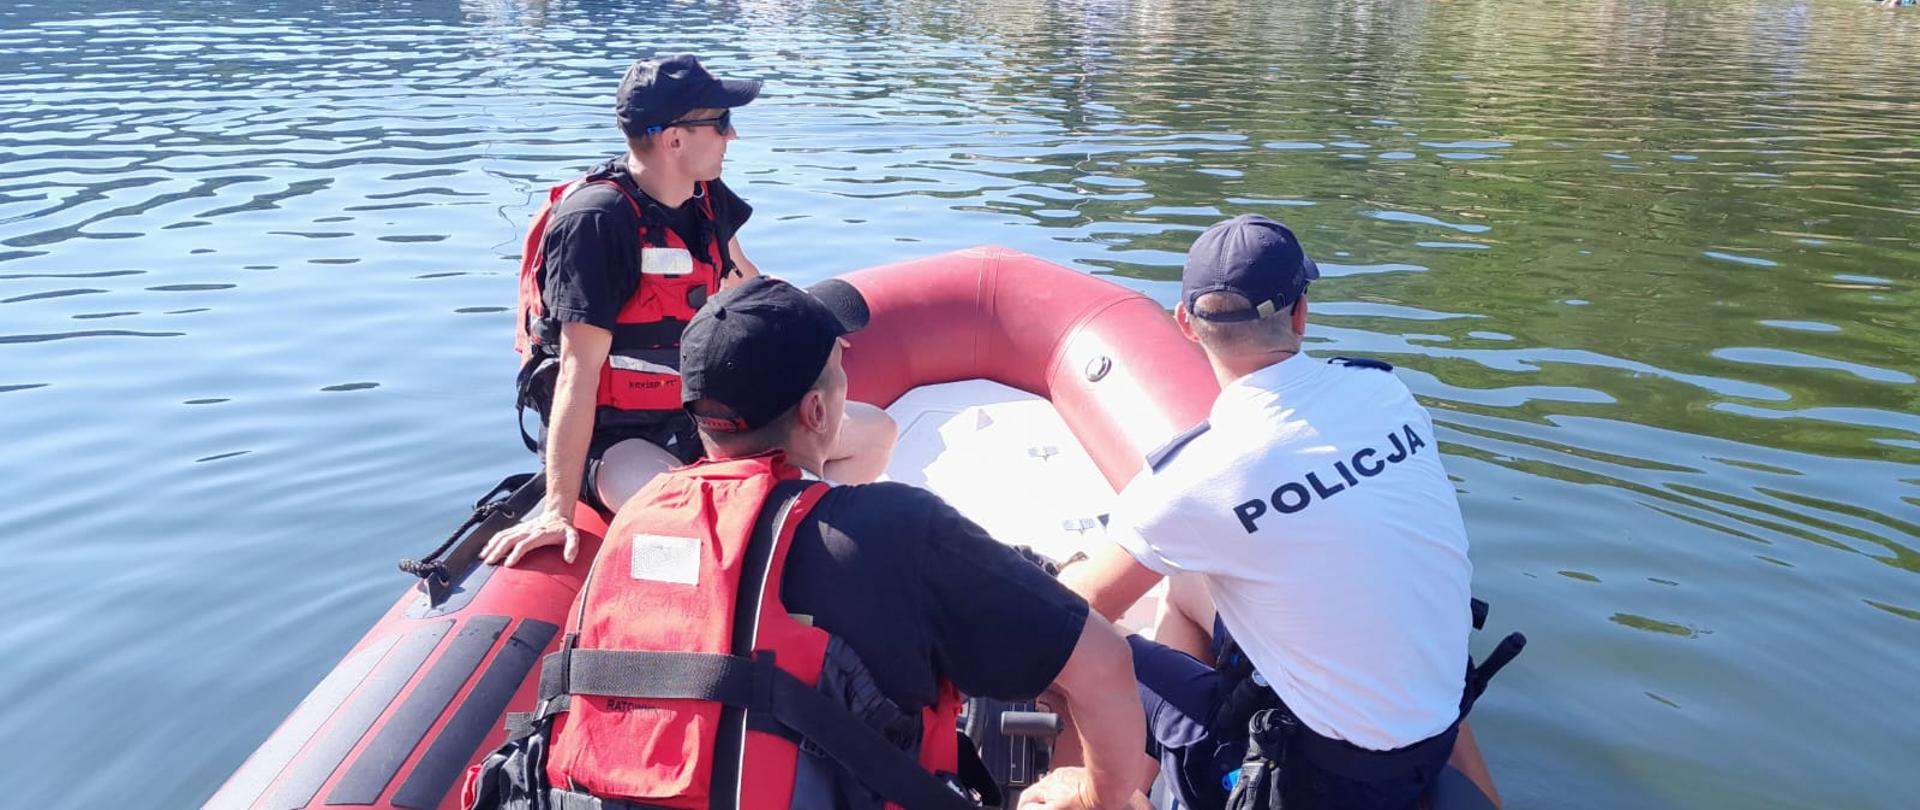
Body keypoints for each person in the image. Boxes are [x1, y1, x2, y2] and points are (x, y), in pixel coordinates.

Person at [485, 276, 1148, 810]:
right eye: (839, 368)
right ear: (818, 412)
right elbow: (1103, 664)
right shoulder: (898, 528)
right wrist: (1096, 795)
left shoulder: (636, 520)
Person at [1049, 215, 1477, 810]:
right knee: (1185, 586)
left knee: (1074, 641)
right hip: (1432, 738)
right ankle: (1165, 767)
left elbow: (1067, 617)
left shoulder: (1195, 476)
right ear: (1301, 314)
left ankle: (1104, 796)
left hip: (1314, 781)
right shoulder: (1386, 395)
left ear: (1185, 327)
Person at [491, 54, 895, 567]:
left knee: (875, 434)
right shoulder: (597, 223)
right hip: (617, 439)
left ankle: (809, 562)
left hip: (703, 420)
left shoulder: (705, 199)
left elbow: (745, 278)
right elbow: (578, 370)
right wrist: (558, 509)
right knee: (697, 527)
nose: (733, 136)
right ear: (674, 139)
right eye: (721, 122)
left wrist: (815, 332)